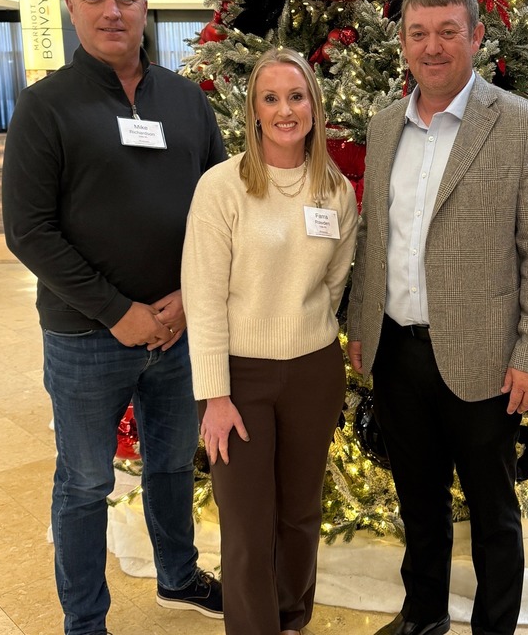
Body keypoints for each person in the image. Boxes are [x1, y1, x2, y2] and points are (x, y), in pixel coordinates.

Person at [2, 0, 227, 635]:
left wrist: (189, 296)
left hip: (178, 331)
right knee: (85, 483)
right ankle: (85, 621)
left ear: (144, 5)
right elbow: (29, 231)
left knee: (171, 466)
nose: (111, 11)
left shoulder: (186, 101)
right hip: (86, 337)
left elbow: (221, 211)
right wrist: (115, 311)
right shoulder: (45, 106)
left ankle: (178, 576)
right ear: (70, 7)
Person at [347, 0, 528, 635]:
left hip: (485, 358)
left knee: (493, 510)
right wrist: (361, 326)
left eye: (448, 31)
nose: (433, 46)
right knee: (418, 501)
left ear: (476, 36)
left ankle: (493, 627)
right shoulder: (384, 126)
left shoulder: (521, 124)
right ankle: (423, 616)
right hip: (396, 350)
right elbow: (373, 235)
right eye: (419, 33)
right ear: (403, 41)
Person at [181, 47, 358, 635]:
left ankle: (290, 618)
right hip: (239, 379)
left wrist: (305, 324)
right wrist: (215, 394)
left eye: (296, 96)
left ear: (314, 105)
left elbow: (333, 282)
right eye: (271, 98)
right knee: (247, 525)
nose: (285, 110)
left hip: (313, 371)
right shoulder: (222, 188)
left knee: (301, 514)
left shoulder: (335, 190)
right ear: (254, 110)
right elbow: (204, 298)